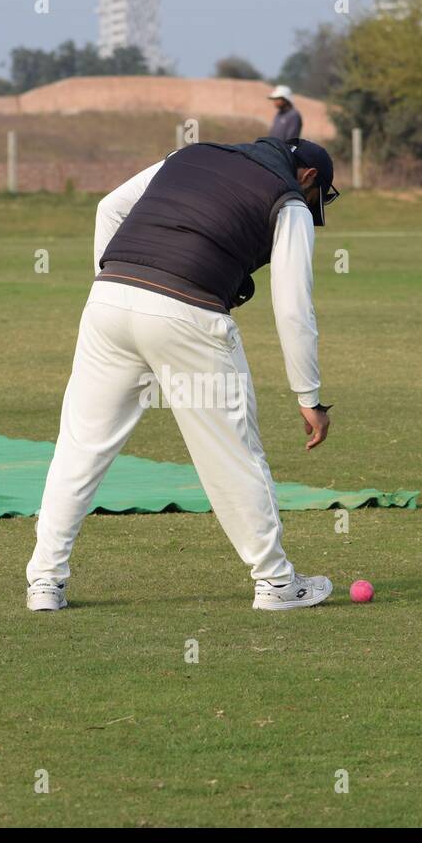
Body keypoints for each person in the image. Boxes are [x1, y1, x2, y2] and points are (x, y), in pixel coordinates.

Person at [24, 135, 341, 612]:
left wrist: (115, 284)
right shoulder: (290, 200)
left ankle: (45, 583)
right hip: (189, 316)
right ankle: (277, 584)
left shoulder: (190, 154)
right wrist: (308, 396)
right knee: (232, 454)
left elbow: (109, 208)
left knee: (79, 447)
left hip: (108, 303)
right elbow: (293, 307)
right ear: (310, 176)